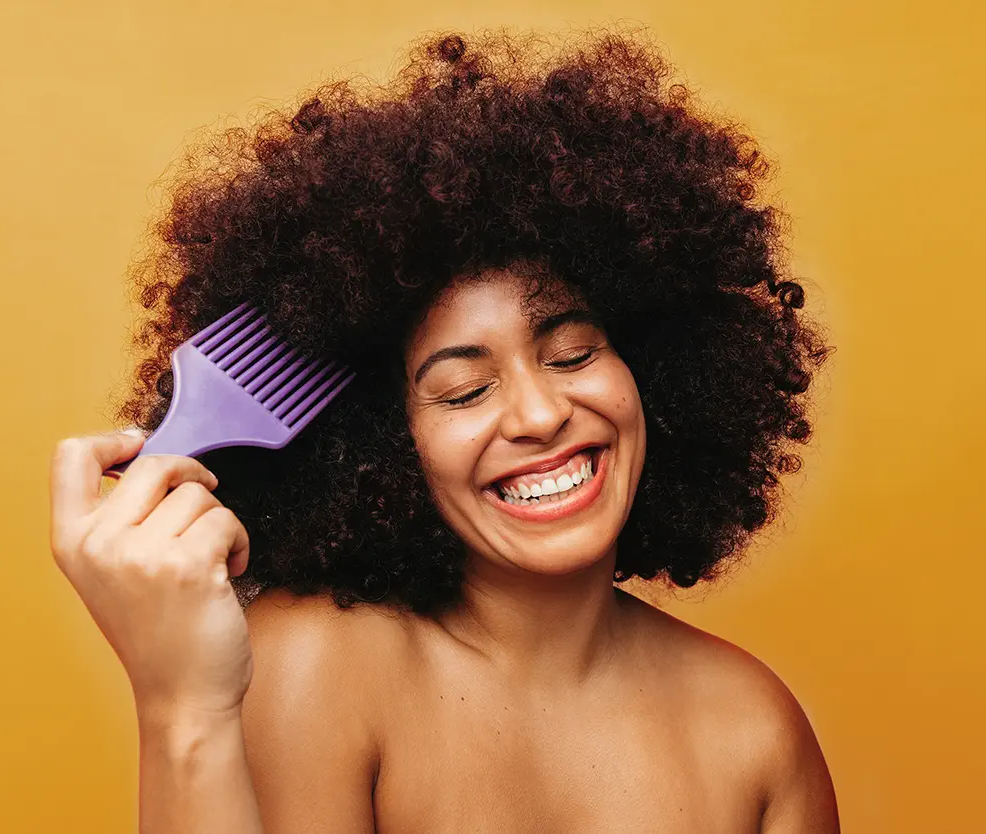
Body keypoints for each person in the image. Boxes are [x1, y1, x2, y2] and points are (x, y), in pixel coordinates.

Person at [47, 28, 837, 833]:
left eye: (572, 353)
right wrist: (183, 707)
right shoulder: (320, 667)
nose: (540, 415)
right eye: (462, 392)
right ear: (384, 444)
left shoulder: (755, 732)